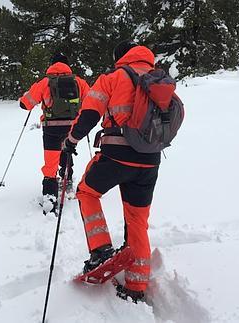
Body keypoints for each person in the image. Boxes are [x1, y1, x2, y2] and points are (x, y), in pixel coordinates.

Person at [62, 41, 171, 302]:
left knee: (86, 192)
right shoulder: (159, 79)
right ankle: (135, 287)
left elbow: (88, 115)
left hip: (117, 156)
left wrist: (70, 141)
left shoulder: (113, 78)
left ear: (119, 57)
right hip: (151, 161)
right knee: (137, 220)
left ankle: (100, 250)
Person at [19, 52, 90, 214]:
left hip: (51, 128)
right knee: (67, 152)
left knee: (51, 161)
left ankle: (50, 197)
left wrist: (25, 99)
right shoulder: (78, 82)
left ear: (51, 64)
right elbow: (91, 99)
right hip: (72, 127)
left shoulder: (45, 82)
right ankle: (67, 180)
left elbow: (25, 104)